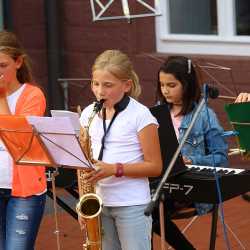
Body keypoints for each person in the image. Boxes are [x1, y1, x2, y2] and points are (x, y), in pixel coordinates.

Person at [79, 49, 162, 250]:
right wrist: (84, 200)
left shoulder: (141, 116)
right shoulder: (89, 114)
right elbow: (82, 163)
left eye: (108, 85)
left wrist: (114, 169)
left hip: (131, 204)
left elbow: (155, 167)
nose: (100, 91)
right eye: (95, 84)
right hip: (99, 202)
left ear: (126, 85)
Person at [151, 56, 228, 249]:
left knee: (147, 211)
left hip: (188, 188)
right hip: (158, 182)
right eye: (161, 85)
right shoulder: (156, 113)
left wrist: (190, 160)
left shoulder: (204, 115)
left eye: (171, 85)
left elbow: (220, 157)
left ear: (187, 85)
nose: (165, 90)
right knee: (134, 205)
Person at [0, 30, 47, 250]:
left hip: (23, 192)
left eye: (2, 66)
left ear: (18, 62)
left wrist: (1, 97)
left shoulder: (32, 95)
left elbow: (17, 140)